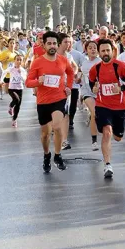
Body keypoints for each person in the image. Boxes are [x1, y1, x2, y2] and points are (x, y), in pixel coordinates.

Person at [25, 31, 74, 172]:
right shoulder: (38, 62)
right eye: (49, 43)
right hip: (43, 101)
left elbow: (71, 73)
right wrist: (38, 81)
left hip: (59, 98)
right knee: (45, 134)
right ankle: (47, 155)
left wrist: (68, 87)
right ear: (44, 45)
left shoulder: (63, 60)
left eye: (54, 43)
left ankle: (58, 156)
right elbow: (28, 82)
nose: (52, 46)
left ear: (57, 45)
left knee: (57, 127)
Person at [89, 39, 125, 178]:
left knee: (117, 137)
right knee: (107, 132)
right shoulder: (95, 69)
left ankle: (122, 130)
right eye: (103, 51)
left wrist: (122, 88)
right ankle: (108, 165)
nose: (105, 53)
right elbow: (91, 81)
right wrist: (94, 88)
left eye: (108, 50)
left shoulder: (120, 66)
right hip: (102, 105)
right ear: (99, 52)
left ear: (112, 51)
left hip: (119, 107)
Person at [79, 40, 101, 151]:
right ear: (86, 50)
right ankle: (94, 141)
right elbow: (81, 76)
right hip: (87, 91)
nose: (93, 49)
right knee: (95, 112)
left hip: (99, 92)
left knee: (96, 115)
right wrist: (78, 78)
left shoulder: (101, 62)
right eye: (90, 48)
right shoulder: (84, 63)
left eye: (94, 48)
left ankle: (91, 116)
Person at [2, 54, 27, 128]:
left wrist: (21, 74)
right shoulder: (11, 68)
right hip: (11, 88)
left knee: (18, 105)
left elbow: (25, 80)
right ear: (14, 61)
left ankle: (14, 119)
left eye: (20, 60)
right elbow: (4, 73)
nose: (19, 61)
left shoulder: (22, 70)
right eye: (17, 59)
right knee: (16, 99)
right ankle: (10, 106)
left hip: (20, 88)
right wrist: (1, 81)